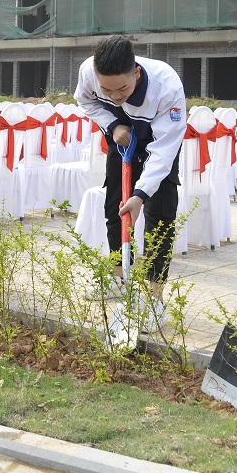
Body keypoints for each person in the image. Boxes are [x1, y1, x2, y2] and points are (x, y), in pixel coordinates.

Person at [74, 35, 184, 333]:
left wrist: (140, 194)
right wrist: (112, 125)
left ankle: (154, 299)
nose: (114, 94)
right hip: (121, 136)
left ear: (136, 72)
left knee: (160, 217)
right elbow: (85, 101)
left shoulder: (167, 85)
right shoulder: (88, 72)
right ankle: (118, 276)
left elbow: (163, 152)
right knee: (114, 207)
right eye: (106, 89)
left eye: (122, 88)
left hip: (158, 140)